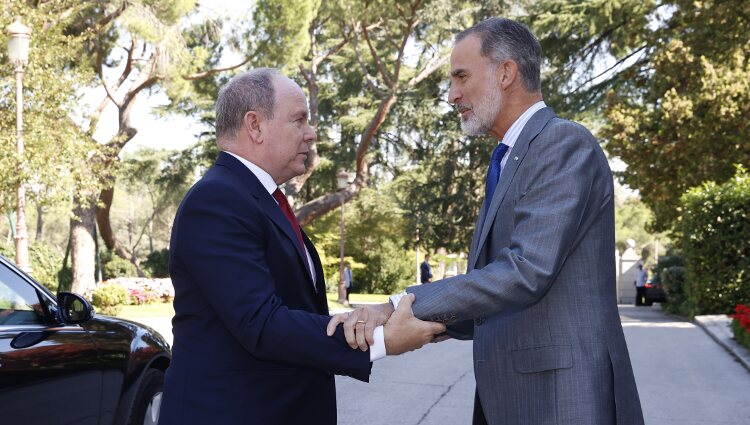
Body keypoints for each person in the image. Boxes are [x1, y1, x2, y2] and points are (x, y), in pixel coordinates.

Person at [330, 18, 644, 425]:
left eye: (461, 77)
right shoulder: (508, 158)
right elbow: (490, 294)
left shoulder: (562, 143)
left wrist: (397, 306)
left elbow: (524, 271)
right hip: (514, 399)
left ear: (506, 72)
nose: (451, 95)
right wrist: (417, 322)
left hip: (561, 401)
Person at [158, 68, 444, 425]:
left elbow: (295, 308)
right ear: (255, 126)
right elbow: (261, 322)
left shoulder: (257, 197)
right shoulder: (217, 199)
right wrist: (382, 340)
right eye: (299, 120)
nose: (311, 134)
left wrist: (368, 316)